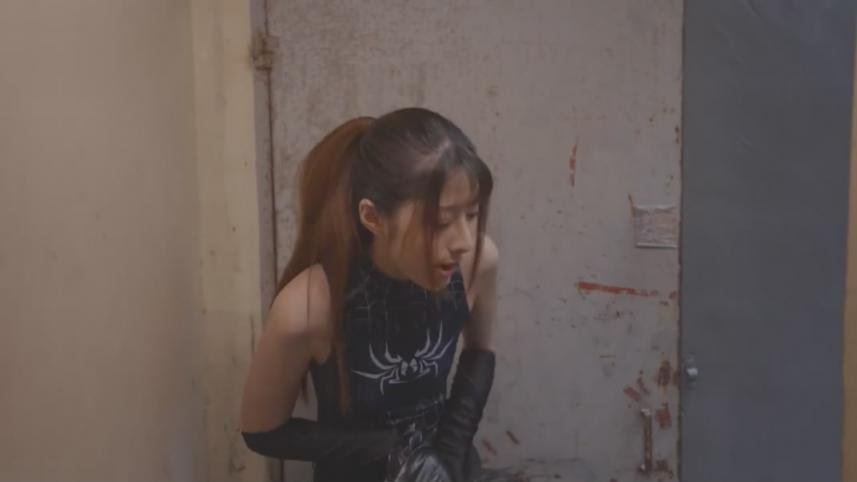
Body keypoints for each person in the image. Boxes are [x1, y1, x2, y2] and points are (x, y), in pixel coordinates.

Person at [239, 107, 499, 482]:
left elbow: (480, 350)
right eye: (440, 222)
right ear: (373, 218)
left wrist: (451, 453)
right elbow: (261, 431)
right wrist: (391, 452)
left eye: (472, 214)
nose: (463, 241)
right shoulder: (308, 307)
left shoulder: (477, 261)